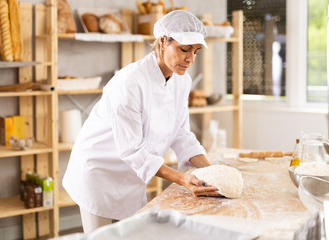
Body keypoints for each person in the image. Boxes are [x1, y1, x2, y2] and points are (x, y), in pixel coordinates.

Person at [62, 10, 219, 234]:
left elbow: (181, 134)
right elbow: (133, 150)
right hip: (98, 173)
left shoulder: (182, 81)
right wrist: (182, 178)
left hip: (131, 177)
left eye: (196, 51)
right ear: (163, 41)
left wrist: (214, 172)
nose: (191, 59)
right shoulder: (130, 83)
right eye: (184, 49)